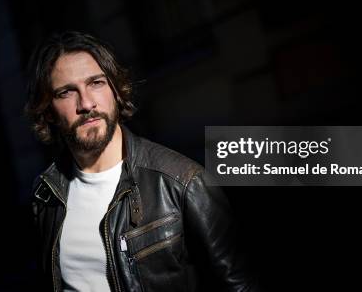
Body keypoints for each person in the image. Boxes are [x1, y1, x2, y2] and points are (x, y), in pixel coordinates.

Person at [25, 31, 257, 291]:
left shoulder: (183, 183)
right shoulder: (46, 195)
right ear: (49, 111)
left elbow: (238, 285)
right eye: (66, 92)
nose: (86, 103)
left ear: (116, 90)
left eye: (96, 83)